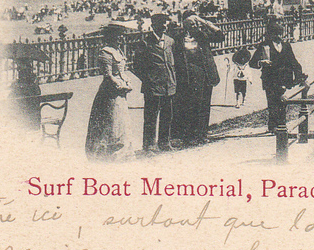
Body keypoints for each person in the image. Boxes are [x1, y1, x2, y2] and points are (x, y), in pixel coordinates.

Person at [85, 22, 134, 160]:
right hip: (110, 93)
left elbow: (121, 72)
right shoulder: (105, 52)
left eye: (122, 36)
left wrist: (127, 81)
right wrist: (120, 85)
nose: (121, 39)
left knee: (121, 122)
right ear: (111, 37)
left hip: (120, 92)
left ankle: (122, 152)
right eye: (118, 36)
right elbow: (108, 76)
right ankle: (107, 153)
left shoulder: (119, 51)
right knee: (111, 122)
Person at [249, 20, 306, 134]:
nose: (279, 36)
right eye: (276, 34)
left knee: (282, 102)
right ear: (270, 34)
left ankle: (282, 125)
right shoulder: (264, 46)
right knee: (272, 103)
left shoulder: (286, 45)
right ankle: (273, 126)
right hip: (270, 79)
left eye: (281, 34)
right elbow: (252, 63)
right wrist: (261, 62)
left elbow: (293, 61)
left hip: (284, 78)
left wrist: (299, 74)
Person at [131, 13, 177, 153]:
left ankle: (164, 143)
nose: (164, 26)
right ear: (153, 25)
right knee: (151, 117)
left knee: (167, 116)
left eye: (165, 23)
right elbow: (136, 67)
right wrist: (149, 80)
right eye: (161, 23)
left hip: (169, 85)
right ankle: (149, 146)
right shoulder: (145, 43)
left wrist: (173, 80)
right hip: (153, 87)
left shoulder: (170, 41)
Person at [183, 12, 223, 144]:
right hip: (192, 76)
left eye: (197, 23)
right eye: (193, 24)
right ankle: (191, 135)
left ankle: (202, 133)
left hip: (207, 74)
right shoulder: (180, 38)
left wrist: (205, 22)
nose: (196, 26)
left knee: (205, 104)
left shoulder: (202, 36)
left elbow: (220, 36)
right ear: (186, 25)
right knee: (193, 105)